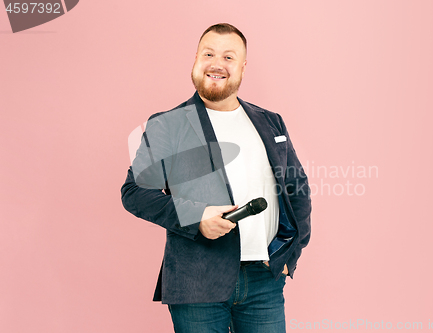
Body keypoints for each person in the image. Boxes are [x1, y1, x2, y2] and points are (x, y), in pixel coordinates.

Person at [121, 23, 311, 333]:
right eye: (209, 53)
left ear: (242, 67)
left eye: (229, 56)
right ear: (195, 59)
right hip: (196, 283)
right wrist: (197, 217)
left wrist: (292, 252)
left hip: (265, 281)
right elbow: (135, 192)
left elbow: (298, 191)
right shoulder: (166, 125)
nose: (217, 63)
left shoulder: (271, 122)